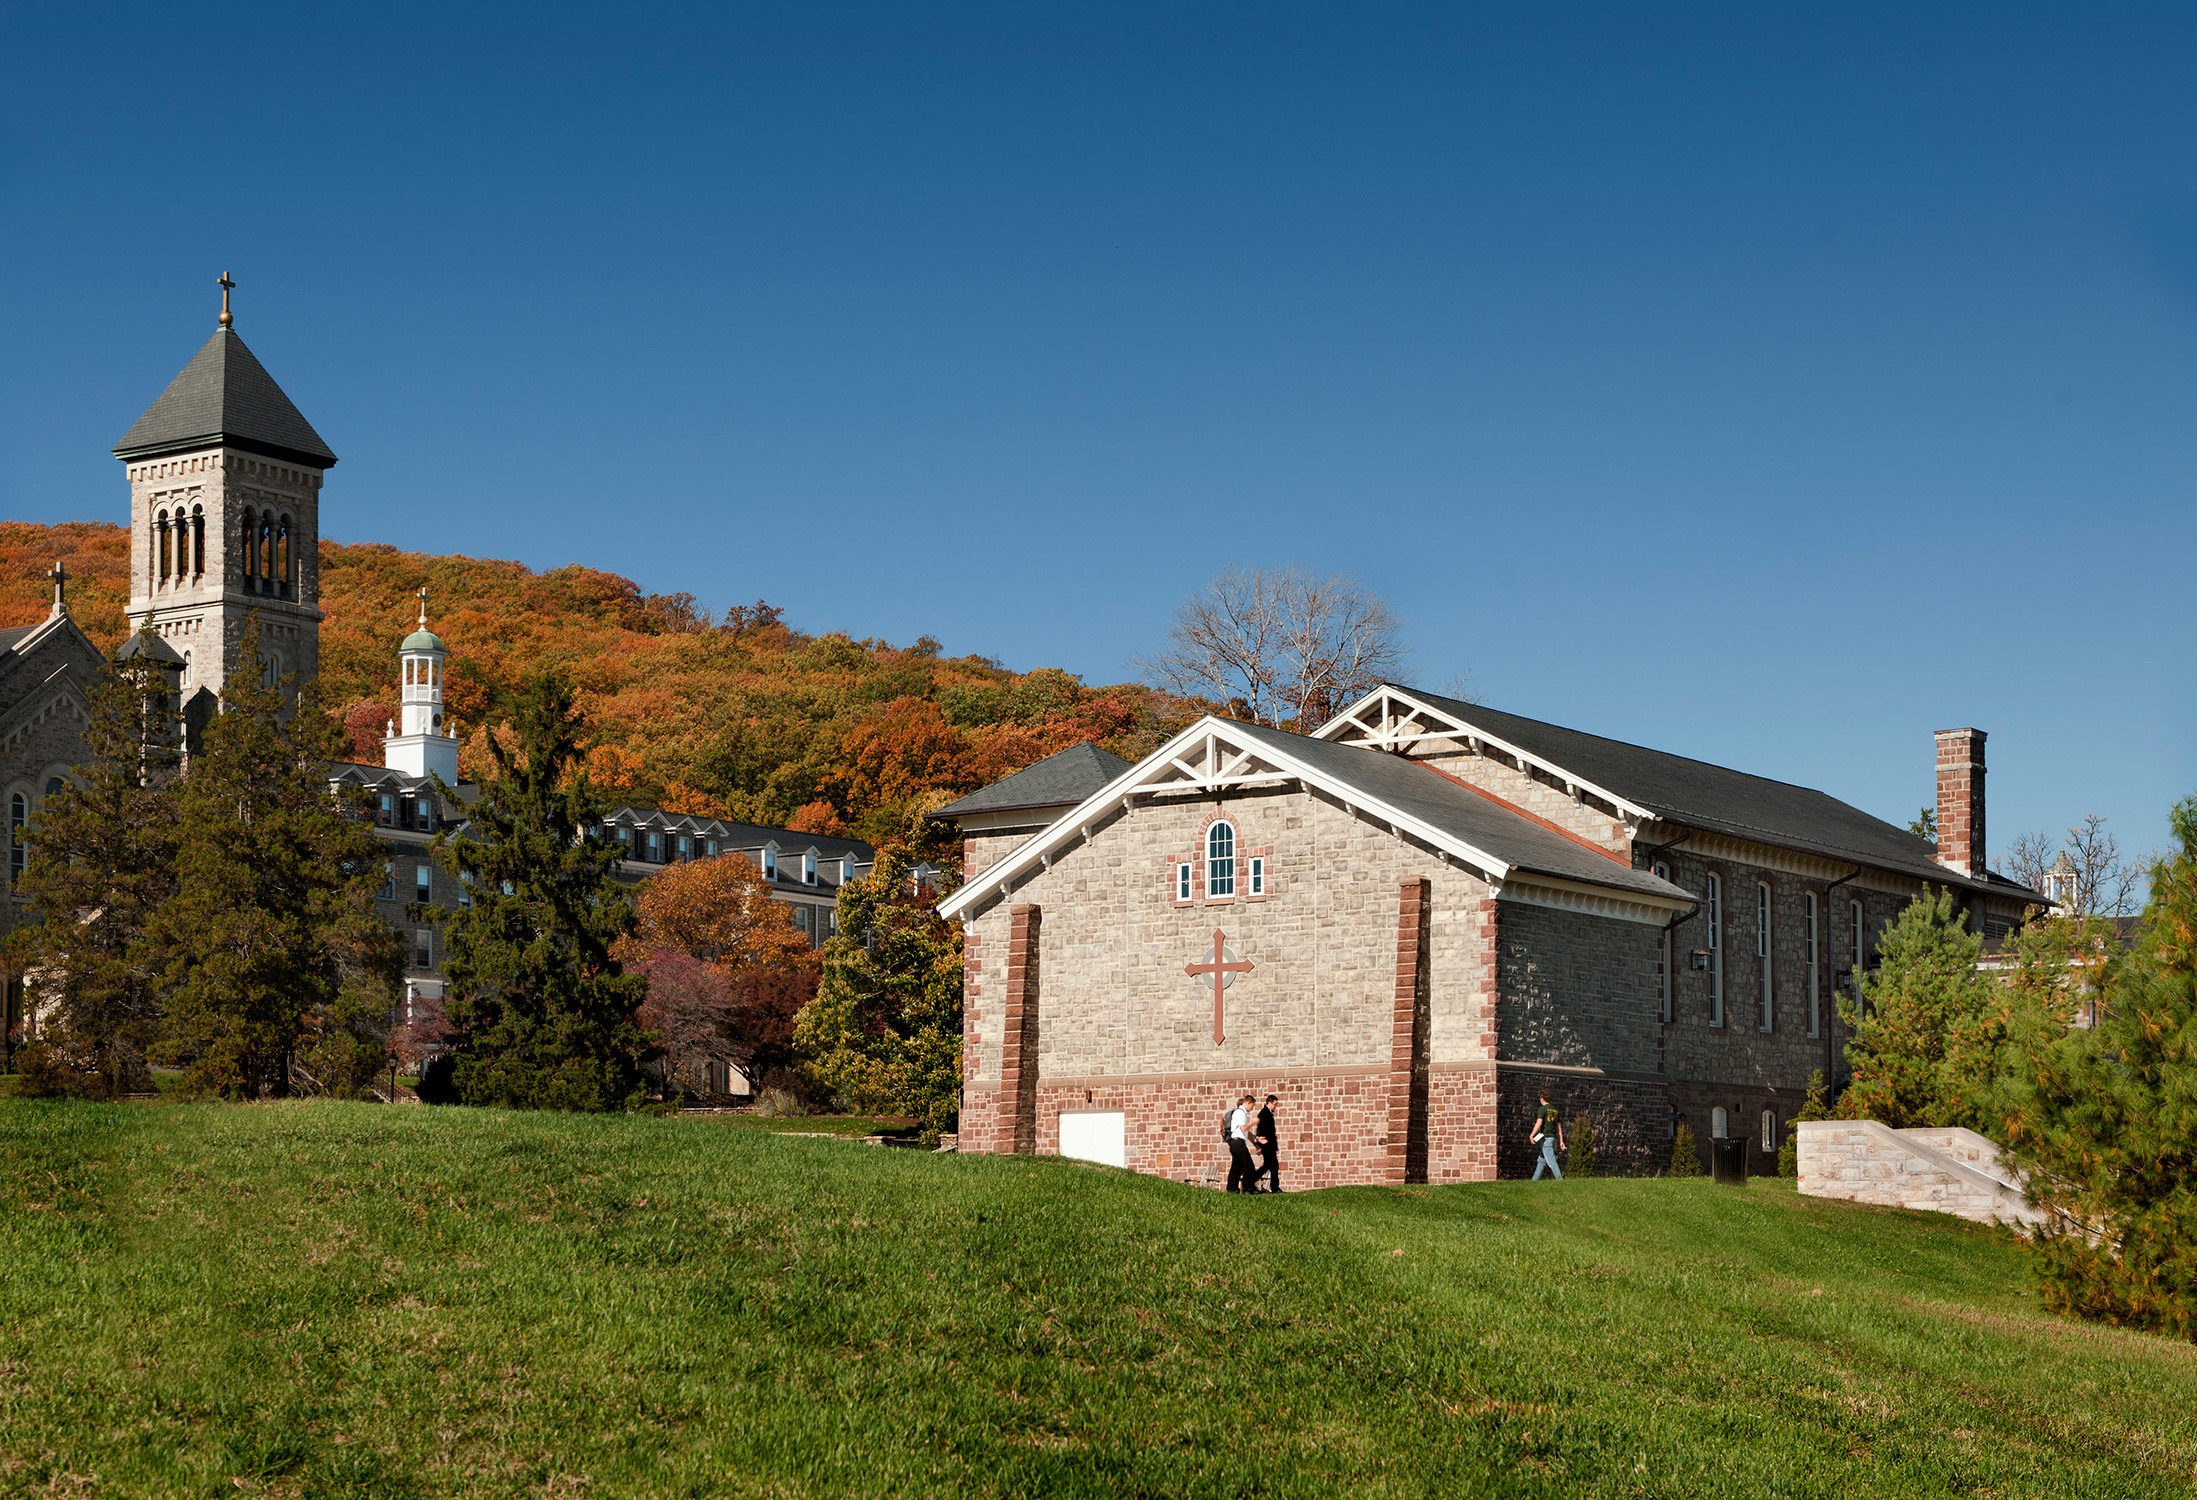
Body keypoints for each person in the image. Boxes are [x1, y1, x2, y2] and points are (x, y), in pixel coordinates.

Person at [1226, 1093, 1260, 1192]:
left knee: (1237, 1166)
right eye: (1252, 1106)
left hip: (1235, 1142)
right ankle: (1248, 1188)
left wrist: (1254, 1138)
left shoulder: (1240, 1113)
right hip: (1238, 1143)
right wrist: (1253, 1122)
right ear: (1248, 1103)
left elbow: (1244, 1131)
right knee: (1248, 1165)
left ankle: (1232, 1188)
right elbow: (1244, 1128)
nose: (1252, 1108)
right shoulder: (1240, 1113)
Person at [1530, 1090, 1565, 1180]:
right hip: (1553, 1139)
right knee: (1541, 1160)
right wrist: (1561, 1141)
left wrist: (1532, 1135)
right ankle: (1533, 1181)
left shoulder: (1542, 1109)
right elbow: (1558, 1127)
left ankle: (1560, 1180)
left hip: (1546, 1139)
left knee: (1551, 1161)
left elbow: (1539, 1123)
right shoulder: (1554, 1111)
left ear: (1542, 1099)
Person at [1254, 1094, 1281, 1193]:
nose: (1275, 1106)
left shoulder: (1267, 1113)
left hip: (1270, 1144)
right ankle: (1251, 1180)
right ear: (1269, 1102)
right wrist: (1259, 1144)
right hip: (1267, 1144)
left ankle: (1275, 1187)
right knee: (1269, 1165)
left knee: (1272, 1165)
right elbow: (1260, 1128)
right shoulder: (1264, 1113)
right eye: (1275, 1104)